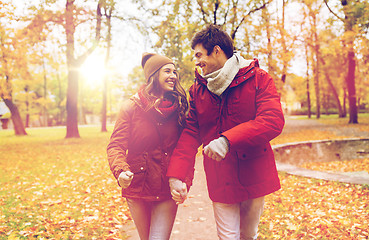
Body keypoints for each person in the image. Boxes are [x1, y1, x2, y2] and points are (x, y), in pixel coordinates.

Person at [167, 24, 285, 240]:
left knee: (248, 235)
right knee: (228, 237)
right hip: (221, 177)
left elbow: (272, 120)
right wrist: (177, 175)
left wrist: (226, 141)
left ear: (217, 51)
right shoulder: (198, 90)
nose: (196, 61)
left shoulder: (259, 78)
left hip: (254, 172)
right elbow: (191, 133)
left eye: (199, 54)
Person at [107, 52, 190, 240]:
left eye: (175, 72)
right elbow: (116, 145)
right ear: (154, 75)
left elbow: (186, 148)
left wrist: (184, 179)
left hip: (165, 189)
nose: (173, 76)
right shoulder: (131, 106)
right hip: (138, 187)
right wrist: (120, 170)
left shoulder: (180, 108)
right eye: (167, 71)